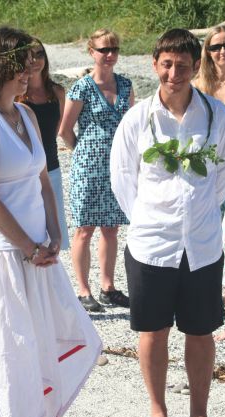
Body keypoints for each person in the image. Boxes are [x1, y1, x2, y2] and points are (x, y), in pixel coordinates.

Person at [0, 26, 101, 417]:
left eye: (31, 63)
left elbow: (44, 179)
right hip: (0, 255)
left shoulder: (24, 113)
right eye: (20, 64)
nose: (30, 71)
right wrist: (27, 246)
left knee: (36, 345)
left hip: (38, 251)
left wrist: (55, 234)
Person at [110, 28, 225, 417]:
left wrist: (196, 216)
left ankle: (200, 415)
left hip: (201, 244)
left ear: (195, 66)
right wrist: (151, 219)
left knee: (200, 331)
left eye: (183, 65)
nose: (174, 74)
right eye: (166, 65)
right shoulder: (138, 118)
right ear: (154, 65)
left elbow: (222, 178)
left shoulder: (216, 115)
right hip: (151, 245)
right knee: (153, 331)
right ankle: (158, 411)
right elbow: (123, 179)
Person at [59, 28, 134, 312]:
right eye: (104, 50)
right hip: (88, 167)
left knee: (111, 228)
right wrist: (84, 150)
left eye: (114, 49)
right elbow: (65, 130)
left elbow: (130, 125)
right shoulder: (81, 87)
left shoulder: (125, 85)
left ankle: (108, 286)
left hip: (117, 166)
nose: (110, 54)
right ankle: (84, 290)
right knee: (84, 229)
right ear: (92, 52)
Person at [194, 25, 225, 341]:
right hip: (206, 173)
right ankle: (211, 303)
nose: (222, 51)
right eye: (216, 46)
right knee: (207, 240)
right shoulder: (199, 88)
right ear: (206, 51)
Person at [17, 37, 69, 250]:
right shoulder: (17, 95)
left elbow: (57, 129)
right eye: (29, 57)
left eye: (39, 54)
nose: (35, 61)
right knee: (28, 228)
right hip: (25, 172)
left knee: (55, 234)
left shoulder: (57, 92)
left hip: (52, 168)